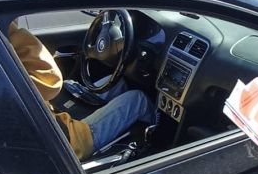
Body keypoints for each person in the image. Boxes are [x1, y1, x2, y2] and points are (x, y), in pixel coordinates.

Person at [9, 22, 155, 161]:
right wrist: (10, 30)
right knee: (138, 99)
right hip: (69, 139)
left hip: (51, 117)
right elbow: (51, 80)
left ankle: (130, 127)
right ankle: (159, 145)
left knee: (117, 82)